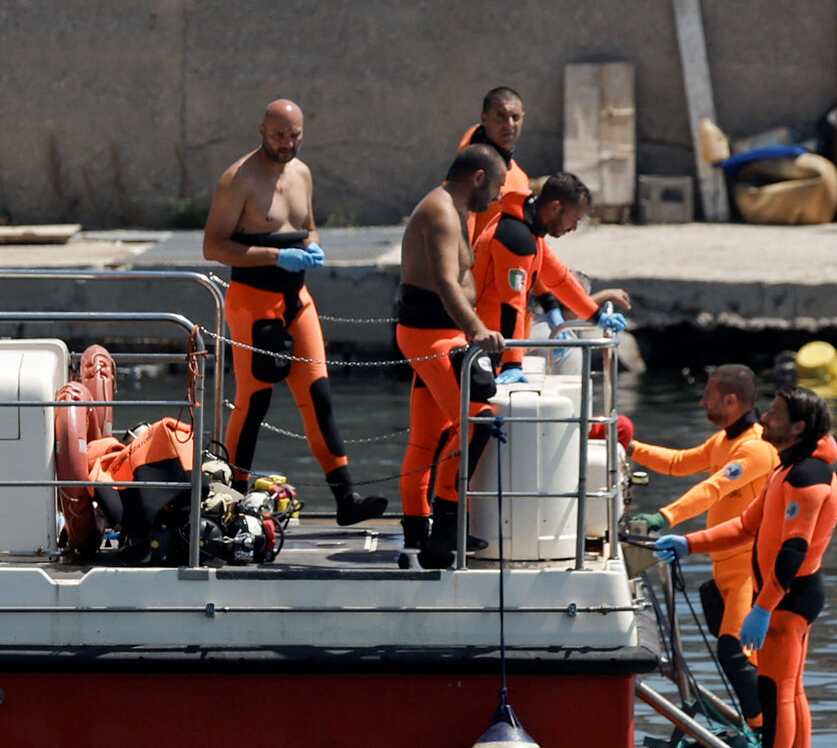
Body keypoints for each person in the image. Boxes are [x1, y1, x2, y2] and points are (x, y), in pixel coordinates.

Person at [203, 99, 385, 527]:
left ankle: (346, 497)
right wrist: (273, 256)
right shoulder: (238, 179)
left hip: (297, 300)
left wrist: (312, 246)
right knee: (255, 401)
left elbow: (309, 225)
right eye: (279, 135)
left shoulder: (302, 173)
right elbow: (214, 247)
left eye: (295, 135)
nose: (287, 144)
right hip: (253, 302)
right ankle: (233, 499)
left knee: (319, 396)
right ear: (261, 130)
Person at [656, 386, 837, 748]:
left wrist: (762, 608)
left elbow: (793, 551)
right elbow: (744, 526)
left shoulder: (808, 478)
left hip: (789, 597)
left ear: (798, 426)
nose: (764, 419)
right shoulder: (784, 468)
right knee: (789, 689)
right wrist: (689, 543)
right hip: (780, 596)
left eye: (775, 414)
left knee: (778, 692)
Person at [626, 364, 775, 721]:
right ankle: (758, 732)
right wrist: (628, 446)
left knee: (736, 655)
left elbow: (712, 490)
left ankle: (763, 739)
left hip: (747, 571)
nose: (702, 400)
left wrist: (665, 517)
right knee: (735, 657)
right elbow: (679, 463)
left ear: (731, 399)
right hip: (722, 568)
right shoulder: (724, 440)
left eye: (708, 395)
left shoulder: (754, 448)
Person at [394, 143, 507, 569]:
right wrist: (477, 329)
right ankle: (445, 529)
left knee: (428, 436)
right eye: (495, 186)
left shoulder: (458, 210)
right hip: (430, 337)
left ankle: (415, 536)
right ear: (477, 177)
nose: (496, 195)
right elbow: (445, 281)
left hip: (444, 335)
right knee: (475, 420)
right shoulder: (440, 210)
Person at [471, 172, 631, 370]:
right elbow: (512, 304)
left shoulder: (532, 231)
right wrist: (511, 364)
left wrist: (597, 316)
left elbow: (560, 279)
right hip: (483, 343)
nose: (573, 228)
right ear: (555, 208)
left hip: (496, 342)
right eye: (574, 219)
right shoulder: (516, 237)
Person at [457, 86, 533, 207]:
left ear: (523, 118)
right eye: (500, 116)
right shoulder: (470, 172)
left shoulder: (520, 178)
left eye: (515, 117)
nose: (509, 124)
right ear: (484, 118)